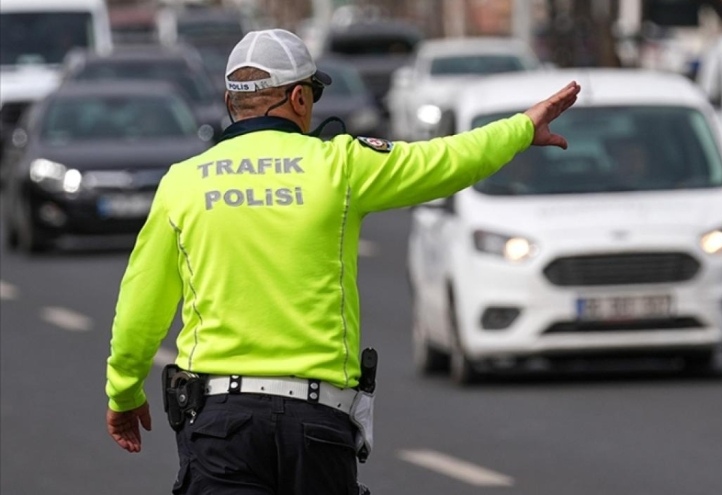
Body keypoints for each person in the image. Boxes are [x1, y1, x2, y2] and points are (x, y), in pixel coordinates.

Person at [104, 28, 580, 494]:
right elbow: (445, 161)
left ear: (233, 103)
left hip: (220, 427)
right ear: (298, 99)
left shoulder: (183, 183)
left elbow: (140, 307)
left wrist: (124, 394)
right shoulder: (341, 165)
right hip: (317, 424)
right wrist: (521, 128)